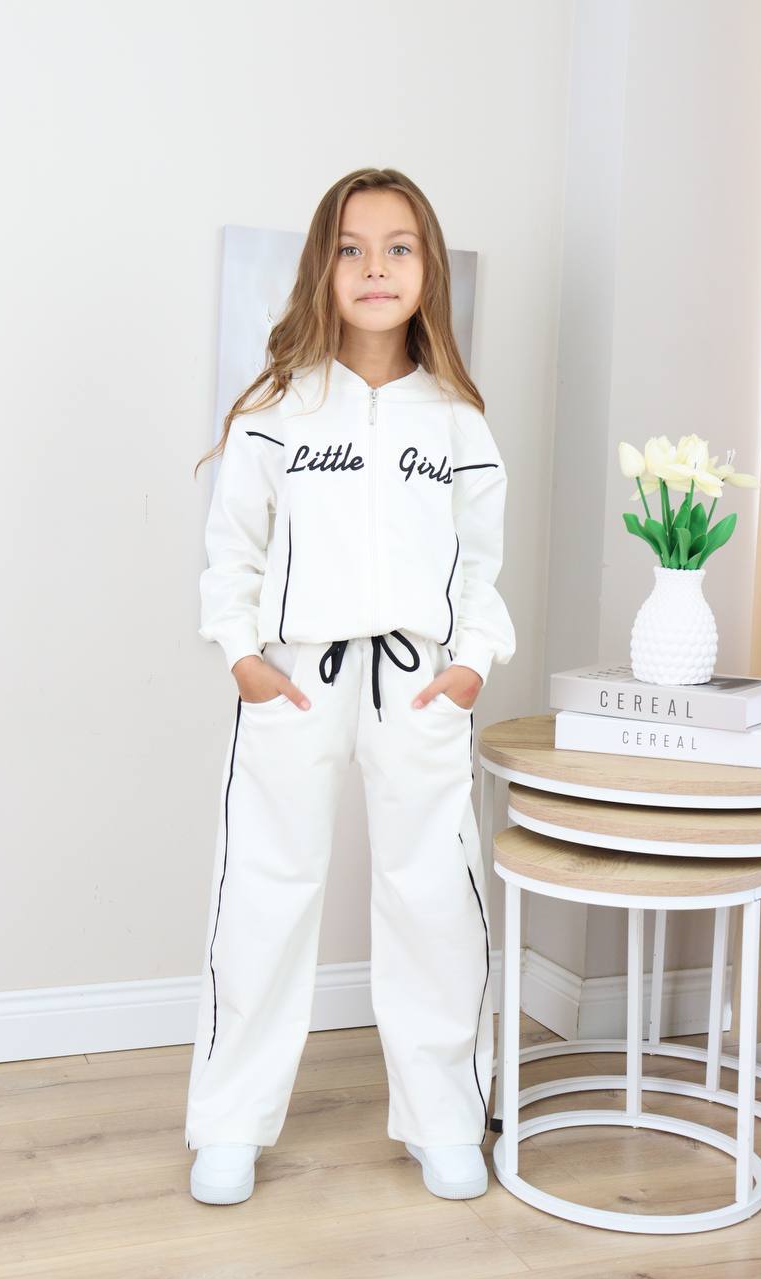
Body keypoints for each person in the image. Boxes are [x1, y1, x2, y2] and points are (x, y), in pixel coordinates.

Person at [185, 167, 517, 1205]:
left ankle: (444, 1119)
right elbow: (232, 548)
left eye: (398, 247)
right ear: (321, 268)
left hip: (419, 686)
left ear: (427, 269)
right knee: (264, 891)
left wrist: (469, 665)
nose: (376, 268)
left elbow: (479, 565)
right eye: (351, 248)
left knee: (433, 898)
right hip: (293, 680)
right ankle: (229, 1123)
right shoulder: (279, 406)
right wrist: (244, 658)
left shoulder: (456, 418)